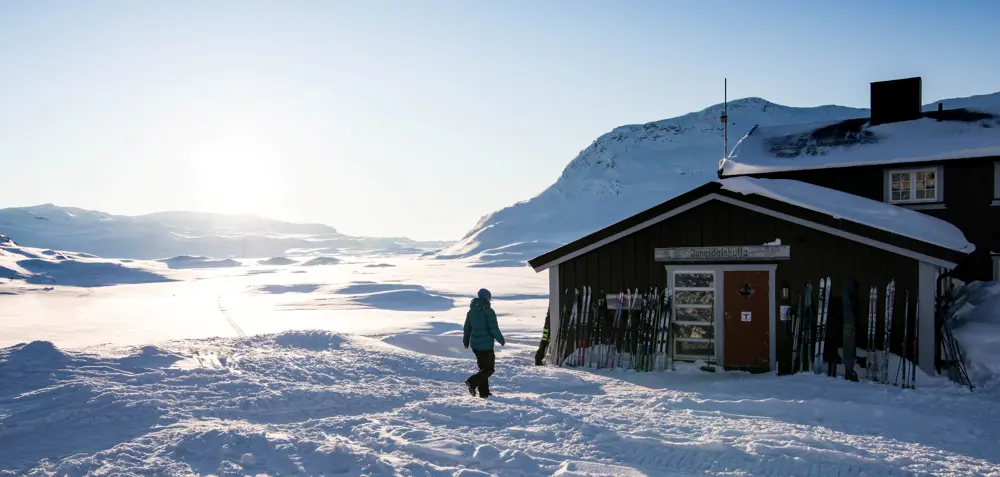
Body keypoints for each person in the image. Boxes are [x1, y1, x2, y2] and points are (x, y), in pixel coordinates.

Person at [463, 288, 505, 398]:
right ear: (487, 298)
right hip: (486, 346)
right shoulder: (489, 311)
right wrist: (500, 339)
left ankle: (484, 392)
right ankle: (472, 382)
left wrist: (465, 341)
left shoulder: (471, 312)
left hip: (475, 345)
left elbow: (467, 328)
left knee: (483, 369)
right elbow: (493, 328)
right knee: (489, 369)